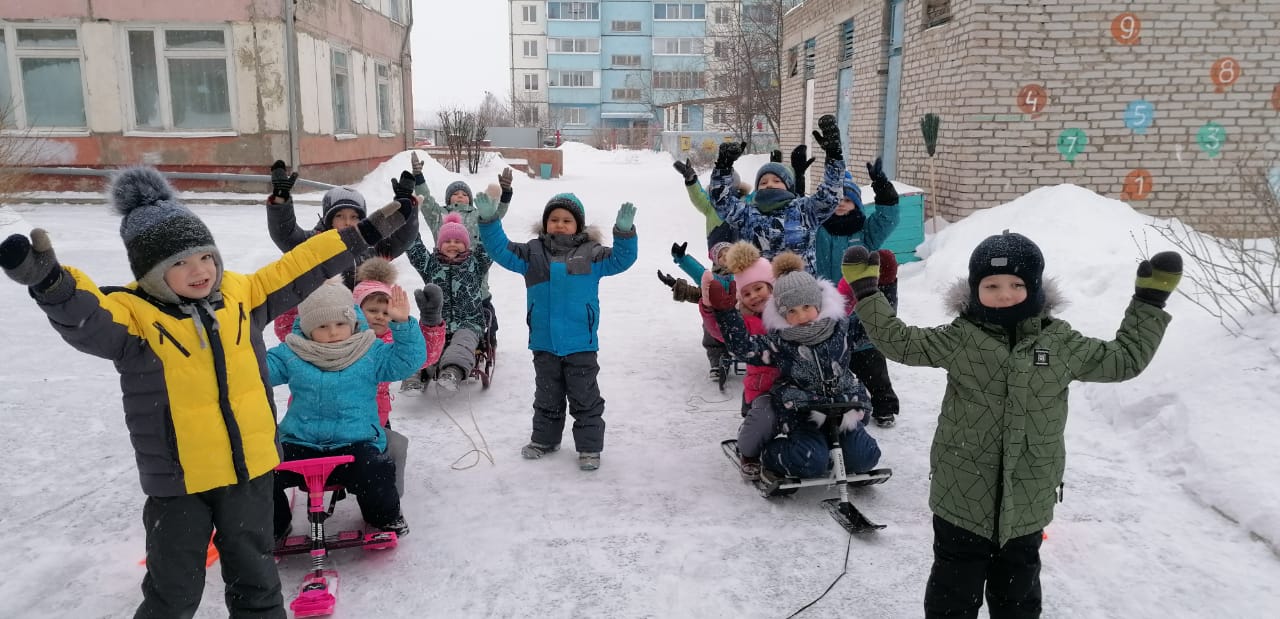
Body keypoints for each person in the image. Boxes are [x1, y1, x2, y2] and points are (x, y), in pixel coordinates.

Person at [0, 166, 413, 618]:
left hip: (249, 472)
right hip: (181, 481)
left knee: (257, 584)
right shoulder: (134, 316)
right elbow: (90, 320)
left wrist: (365, 233)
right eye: (177, 263)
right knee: (172, 591)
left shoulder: (242, 295)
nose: (198, 271)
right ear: (150, 271)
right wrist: (54, 285)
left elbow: (302, 264)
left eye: (203, 257)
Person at [840, 233, 1182, 619]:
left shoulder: (1061, 344)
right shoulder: (961, 338)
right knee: (952, 595)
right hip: (961, 495)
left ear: (1035, 288)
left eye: (1017, 284)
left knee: (1018, 599)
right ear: (974, 289)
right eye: (992, 285)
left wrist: (1149, 302)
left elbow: (1124, 360)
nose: (1005, 294)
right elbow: (899, 342)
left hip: (1028, 500)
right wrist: (868, 294)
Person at [479, 193, 637, 471]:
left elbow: (622, 260)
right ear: (545, 223)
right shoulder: (532, 253)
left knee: (585, 398)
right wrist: (489, 222)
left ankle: (589, 448)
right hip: (544, 342)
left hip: (581, 343)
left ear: (579, 226)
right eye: (554, 220)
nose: (560, 225)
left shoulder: (592, 253)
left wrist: (624, 233)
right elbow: (500, 250)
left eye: (567, 220)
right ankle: (545, 440)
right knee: (547, 396)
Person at [706, 251, 882, 480]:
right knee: (810, 461)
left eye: (806, 306)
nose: (801, 317)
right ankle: (770, 454)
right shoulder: (781, 342)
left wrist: (883, 288)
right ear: (781, 313)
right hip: (803, 413)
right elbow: (745, 348)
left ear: (818, 302)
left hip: (844, 408)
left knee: (865, 457)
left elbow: (877, 329)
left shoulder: (842, 329)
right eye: (791, 311)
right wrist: (727, 313)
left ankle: (840, 451)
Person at [269, 282, 425, 539]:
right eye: (322, 326)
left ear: (352, 322)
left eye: (340, 324)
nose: (333, 332)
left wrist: (403, 324)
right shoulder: (292, 353)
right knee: (261, 471)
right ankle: (272, 525)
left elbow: (407, 361)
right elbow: (257, 370)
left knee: (376, 470)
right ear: (308, 329)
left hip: (355, 440)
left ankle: (384, 517)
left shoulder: (369, 351)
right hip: (300, 441)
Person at [264, 160, 421, 340]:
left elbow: (402, 238)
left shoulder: (370, 251)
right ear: (328, 219)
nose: (347, 222)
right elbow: (285, 233)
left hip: (361, 332)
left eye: (354, 217)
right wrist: (280, 199)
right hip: (323, 330)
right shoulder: (312, 245)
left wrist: (405, 203)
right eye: (340, 216)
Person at [707, 115, 847, 275]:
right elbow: (720, 201)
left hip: (799, 293)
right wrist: (723, 167)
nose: (770, 184)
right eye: (763, 182)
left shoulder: (804, 210)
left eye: (776, 180)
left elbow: (830, 195)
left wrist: (834, 156)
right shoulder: (747, 214)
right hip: (760, 293)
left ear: (789, 187)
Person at [404, 154, 511, 353]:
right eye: (455, 193)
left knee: (483, 310)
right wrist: (418, 177)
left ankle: (486, 342)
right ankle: (441, 347)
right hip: (441, 271)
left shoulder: (478, 213)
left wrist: (505, 194)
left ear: (470, 199)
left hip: (473, 274)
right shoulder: (440, 215)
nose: (460, 195)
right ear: (448, 199)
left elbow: (496, 217)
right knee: (443, 310)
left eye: (464, 193)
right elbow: (425, 202)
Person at [405, 212, 492, 391]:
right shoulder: (430, 265)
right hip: (435, 323)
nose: (452, 244)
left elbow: (488, 247)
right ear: (439, 244)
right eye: (447, 241)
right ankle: (416, 375)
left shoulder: (475, 264)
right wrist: (409, 219)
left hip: (468, 323)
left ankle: (452, 371)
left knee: (462, 344)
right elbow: (415, 249)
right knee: (425, 346)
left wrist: (488, 219)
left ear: (466, 245)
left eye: (458, 241)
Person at [352, 258, 444, 425]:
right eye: (372, 310)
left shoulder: (392, 339)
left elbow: (420, 358)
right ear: (356, 310)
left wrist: (431, 323)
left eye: (386, 313)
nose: (380, 316)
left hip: (377, 417)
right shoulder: (342, 336)